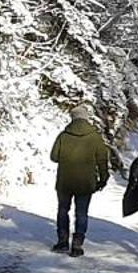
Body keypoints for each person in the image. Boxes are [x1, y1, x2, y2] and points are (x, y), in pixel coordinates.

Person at [50, 106, 113, 256]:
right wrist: (103, 178)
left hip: (65, 181)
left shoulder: (63, 136)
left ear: (72, 117)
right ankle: (77, 244)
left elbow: (54, 157)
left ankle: (62, 241)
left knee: (63, 210)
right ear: (86, 118)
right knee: (82, 213)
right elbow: (102, 160)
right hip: (86, 182)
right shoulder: (95, 137)